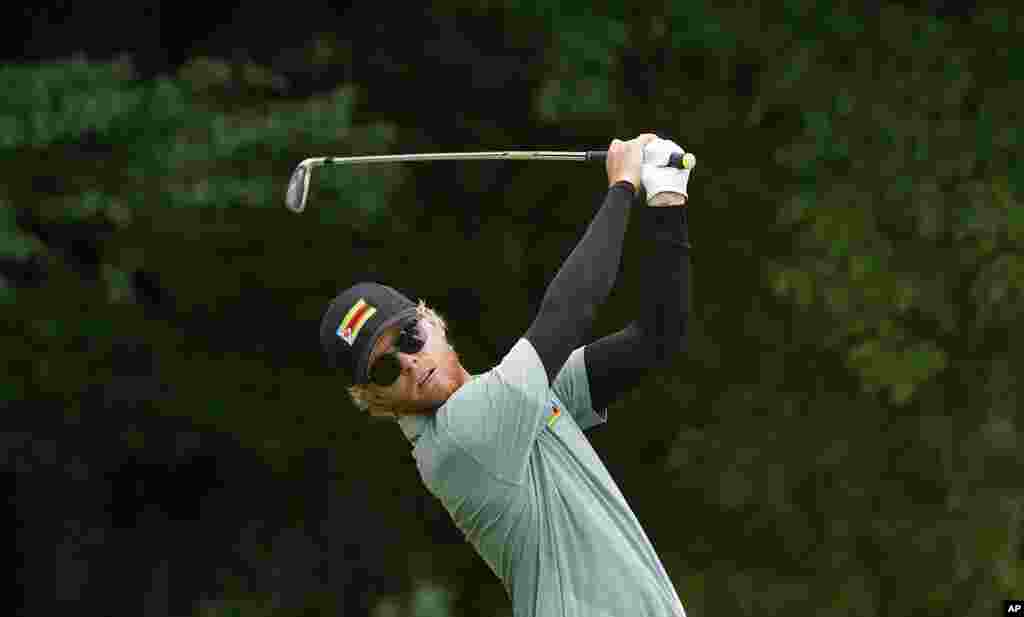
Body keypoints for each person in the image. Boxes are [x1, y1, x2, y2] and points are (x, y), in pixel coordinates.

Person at [319, 133, 692, 616]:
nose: (409, 362)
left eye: (408, 337)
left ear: (431, 321)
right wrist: (622, 186)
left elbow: (657, 338)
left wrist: (667, 199)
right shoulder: (457, 438)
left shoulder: (520, 400)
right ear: (374, 400)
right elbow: (568, 313)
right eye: (386, 368)